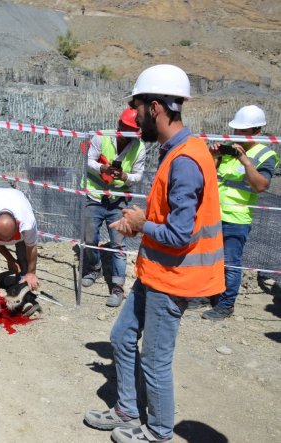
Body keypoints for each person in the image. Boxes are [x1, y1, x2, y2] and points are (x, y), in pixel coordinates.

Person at [84, 64, 225, 443]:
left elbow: (180, 234)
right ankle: (127, 410)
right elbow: (172, 217)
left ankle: (159, 432)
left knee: (155, 359)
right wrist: (141, 222)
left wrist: (142, 223)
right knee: (121, 336)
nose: (136, 117)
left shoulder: (185, 161)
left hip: (174, 278)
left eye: (139, 108)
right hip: (156, 271)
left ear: (157, 107)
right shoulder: (177, 151)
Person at [197, 105, 278, 320]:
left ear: (257, 132)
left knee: (230, 263)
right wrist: (213, 155)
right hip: (213, 213)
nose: (238, 134)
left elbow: (260, 186)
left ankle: (226, 305)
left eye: (244, 131)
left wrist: (244, 160)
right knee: (209, 258)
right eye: (236, 130)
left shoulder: (265, 155)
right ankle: (207, 294)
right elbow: (207, 176)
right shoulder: (227, 149)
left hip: (237, 218)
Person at [82, 108, 146, 307]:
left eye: (131, 131)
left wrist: (125, 176)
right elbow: (88, 160)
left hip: (118, 200)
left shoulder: (139, 147)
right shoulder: (101, 137)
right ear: (119, 125)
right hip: (95, 195)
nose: (127, 134)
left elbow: (139, 175)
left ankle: (117, 286)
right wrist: (102, 168)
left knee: (118, 243)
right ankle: (94, 268)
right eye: (125, 128)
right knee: (89, 239)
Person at [0, 187, 40, 294]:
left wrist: (31, 273)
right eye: (1, 239)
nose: (6, 242)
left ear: (18, 227)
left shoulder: (27, 223)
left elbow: (31, 247)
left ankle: (23, 288)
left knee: (24, 258)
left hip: (18, 202)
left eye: (9, 238)